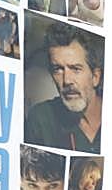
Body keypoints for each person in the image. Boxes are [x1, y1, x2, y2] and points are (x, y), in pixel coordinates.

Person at [25, 23, 103, 153]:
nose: (67, 80)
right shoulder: (41, 120)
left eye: (75, 69)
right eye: (58, 70)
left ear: (95, 77)